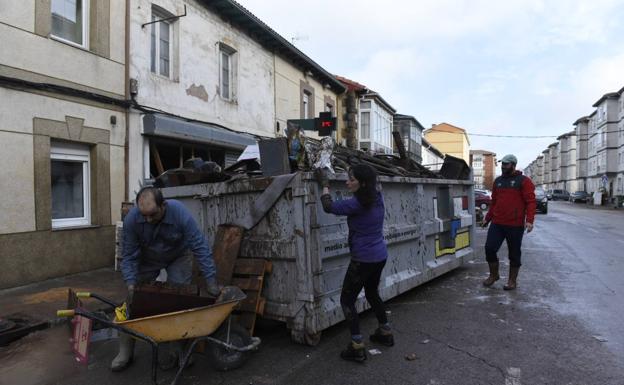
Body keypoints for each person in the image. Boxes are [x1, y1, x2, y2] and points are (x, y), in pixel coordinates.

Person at [112, 186, 220, 371]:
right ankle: (126, 350)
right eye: (144, 215)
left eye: (152, 215)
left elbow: (199, 246)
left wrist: (211, 280)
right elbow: (128, 256)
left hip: (177, 255)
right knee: (133, 300)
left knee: (177, 301)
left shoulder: (179, 213)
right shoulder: (132, 219)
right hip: (148, 259)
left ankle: (176, 348)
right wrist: (131, 284)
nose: (148, 219)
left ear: (164, 206)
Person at [317, 164, 393, 362]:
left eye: (351, 179)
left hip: (363, 260)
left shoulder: (356, 204)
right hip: (379, 256)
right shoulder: (377, 198)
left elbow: (328, 206)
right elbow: (376, 183)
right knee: (372, 293)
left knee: (347, 301)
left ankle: (357, 346)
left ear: (363, 183)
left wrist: (324, 184)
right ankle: (385, 332)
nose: (347, 182)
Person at [481, 154, 536, 290]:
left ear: (513, 165)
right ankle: (494, 275)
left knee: (514, 253)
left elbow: (530, 202)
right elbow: (494, 203)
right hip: (497, 223)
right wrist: (487, 218)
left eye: (506, 164)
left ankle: (512, 281)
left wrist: (529, 220)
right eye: (502, 164)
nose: (503, 166)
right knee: (489, 248)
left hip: (515, 225)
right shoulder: (498, 181)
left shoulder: (524, 181)